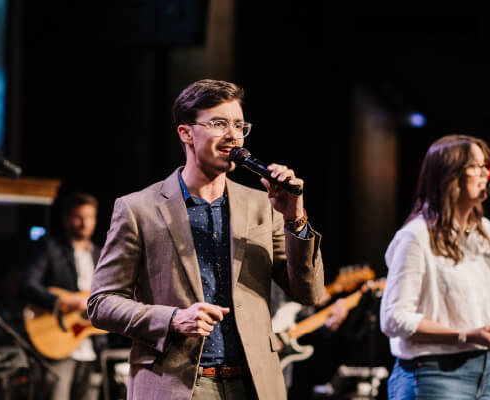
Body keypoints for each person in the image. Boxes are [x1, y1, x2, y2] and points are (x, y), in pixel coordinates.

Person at [87, 79, 325, 400]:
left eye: (239, 125)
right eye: (218, 123)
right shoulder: (138, 209)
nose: (233, 135)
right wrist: (172, 319)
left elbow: (308, 293)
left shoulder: (262, 207)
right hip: (177, 384)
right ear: (186, 133)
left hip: (254, 384)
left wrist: (294, 219)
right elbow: (101, 304)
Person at [380, 134, 490, 400]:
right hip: (434, 375)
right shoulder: (417, 236)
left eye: (486, 167)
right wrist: (464, 335)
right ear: (450, 175)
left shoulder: (487, 233)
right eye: (475, 167)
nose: (485, 174)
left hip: (486, 372)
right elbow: (394, 318)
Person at [21, 191, 103, 400]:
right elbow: (28, 284)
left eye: (90, 217)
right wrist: (62, 301)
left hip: (92, 345)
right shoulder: (50, 248)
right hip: (58, 341)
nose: (84, 223)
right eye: (78, 217)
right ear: (66, 218)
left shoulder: (101, 254)